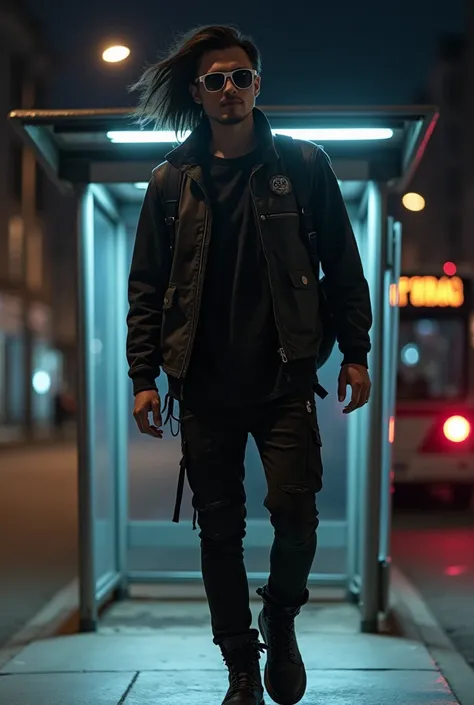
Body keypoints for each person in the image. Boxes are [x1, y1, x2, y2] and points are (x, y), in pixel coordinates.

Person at [127, 25, 372, 705]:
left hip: (285, 376)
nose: (228, 89)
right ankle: (240, 666)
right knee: (220, 529)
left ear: (258, 85)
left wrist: (357, 352)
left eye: (240, 76)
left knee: (298, 516)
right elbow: (146, 285)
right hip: (203, 386)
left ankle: (281, 618)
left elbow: (344, 268)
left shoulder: (302, 165)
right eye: (215, 80)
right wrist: (142, 377)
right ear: (198, 92)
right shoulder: (172, 180)